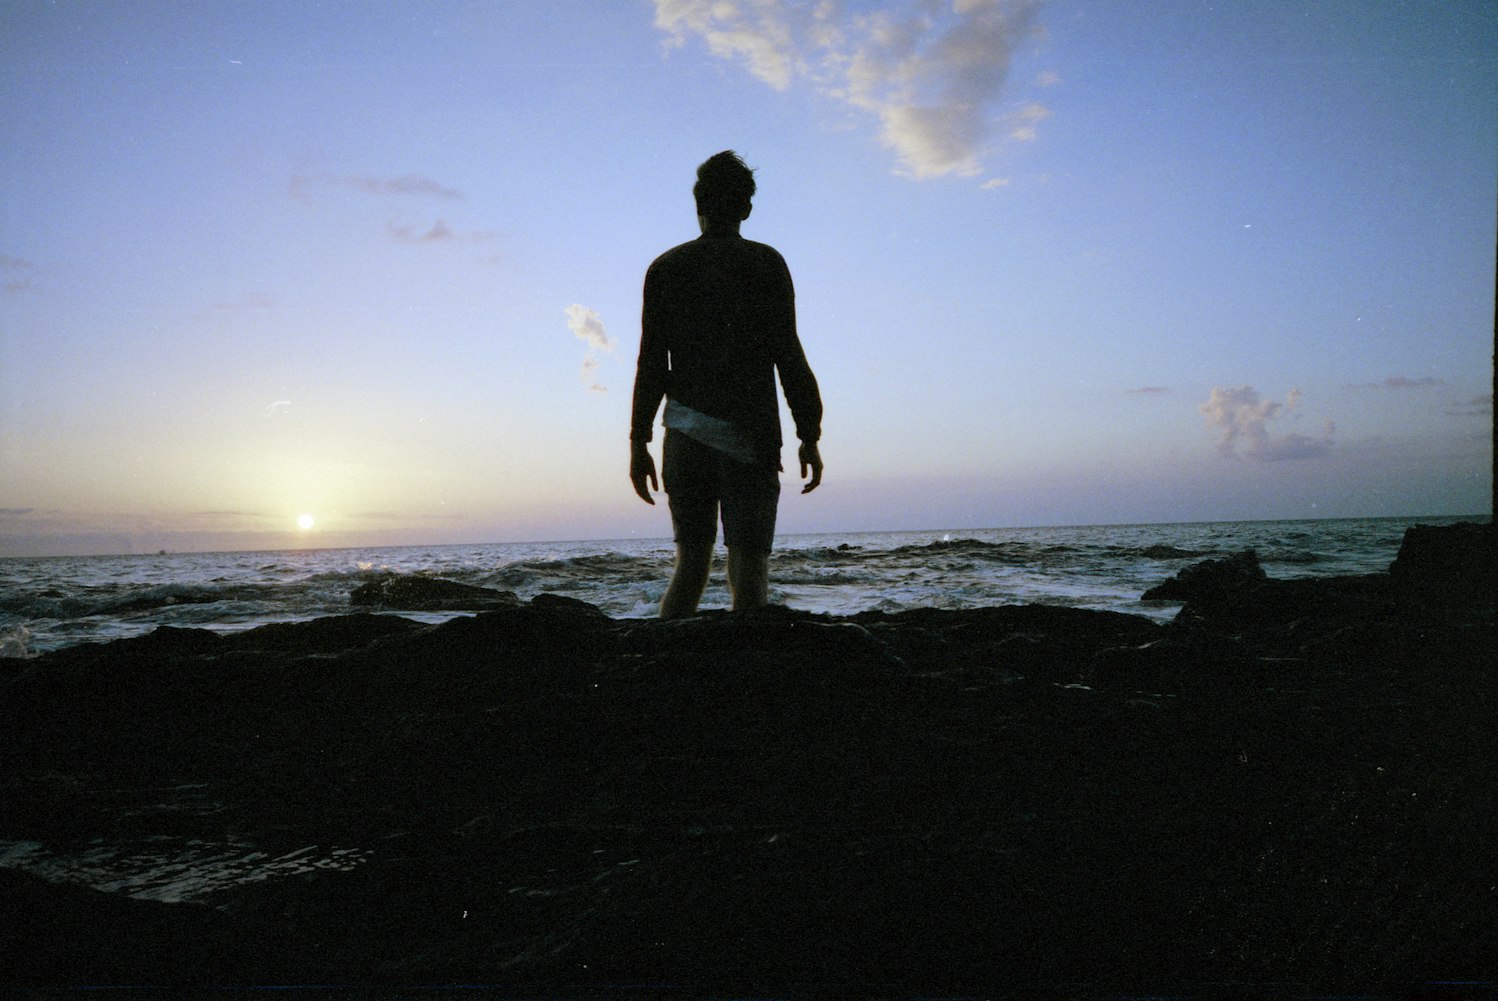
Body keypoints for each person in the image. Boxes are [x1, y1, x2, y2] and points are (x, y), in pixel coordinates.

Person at [630, 150, 823, 618]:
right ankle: (747, 661)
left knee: (690, 566)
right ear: (747, 208)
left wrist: (639, 441)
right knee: (750, 567)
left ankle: (664, 656)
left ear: (698, 204)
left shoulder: (666, 268)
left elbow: (651, 362)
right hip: (751, 436)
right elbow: (788, 353)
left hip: (685, 435)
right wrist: (809, 434)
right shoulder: (765, 263)